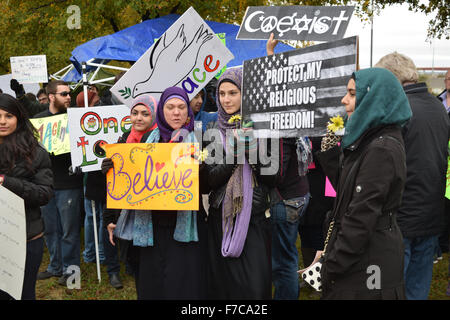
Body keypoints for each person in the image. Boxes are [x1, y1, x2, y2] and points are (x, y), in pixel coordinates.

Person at [310, 68, 412, 299]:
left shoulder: (380, 149)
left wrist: (331, 265)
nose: (344, 100)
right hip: (362, 254)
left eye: (352, 94)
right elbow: (347, 193)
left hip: (368, 261)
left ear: (373, 98)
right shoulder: (368, 141)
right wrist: (330, 154)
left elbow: (360, 217)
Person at [103, 89, 208, 299]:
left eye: (181, 107)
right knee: (153, 286)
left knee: (183, 287)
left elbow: (206, 187)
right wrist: (110, 170)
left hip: (185, 230)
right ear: (162, 111)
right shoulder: (146, 144)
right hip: (152, 229)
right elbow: (128, 186)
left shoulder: (199, 141)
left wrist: (202, 170)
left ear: (188, 112)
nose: (176, 113)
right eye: (170, 107)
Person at [375, 53, 450, 300]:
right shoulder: (437, 106)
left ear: (392, 80)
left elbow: (385, 166)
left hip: (401, 216)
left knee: (391, 288)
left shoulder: (399, 110)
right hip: (432, 211)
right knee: (418, 287)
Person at [205, 68, 277, 299]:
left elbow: (273, 177)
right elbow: (209, 181)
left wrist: (253, 149)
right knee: (224, 287)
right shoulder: (212, 129)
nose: (226, 99)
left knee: (255, 286)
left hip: (253, 219)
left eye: (233, 93)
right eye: (222, 93)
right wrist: (234, 154)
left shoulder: (262, 126)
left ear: (245, 94)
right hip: (221, 218)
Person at [266, 33, 311, 300]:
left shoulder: (281, 119)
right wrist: (270, 52)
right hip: (298, 194)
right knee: (286, 257)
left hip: (285, 199)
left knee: (283, 263)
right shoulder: (295, 109)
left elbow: (276, 172)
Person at [0, 93, 53, 300]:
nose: (2, 121)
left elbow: (44, 193)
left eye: (8, 116)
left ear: (19, 119)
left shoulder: (35, 152)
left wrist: (8, 182)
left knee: (21, 294)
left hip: (25, 238)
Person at [35, 80, 84, 287]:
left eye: (69, 93)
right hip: (45, 184)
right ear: (52, 96)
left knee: (69, 231)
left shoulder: (75, 119)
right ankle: (55, 267)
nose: (69, 97)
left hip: (69, 182)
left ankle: (71, 273)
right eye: (64, 94)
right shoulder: (38, 120)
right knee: (50, 229)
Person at [74, 89, 123, 289]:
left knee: (122, 223)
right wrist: (79, 162)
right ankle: (112, 269)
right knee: (106, 223)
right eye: (94, 102)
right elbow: (81, 151)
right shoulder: (81, 122)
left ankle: (127, 263)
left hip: (123, 182)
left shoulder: (118, 116)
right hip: (99, 183)